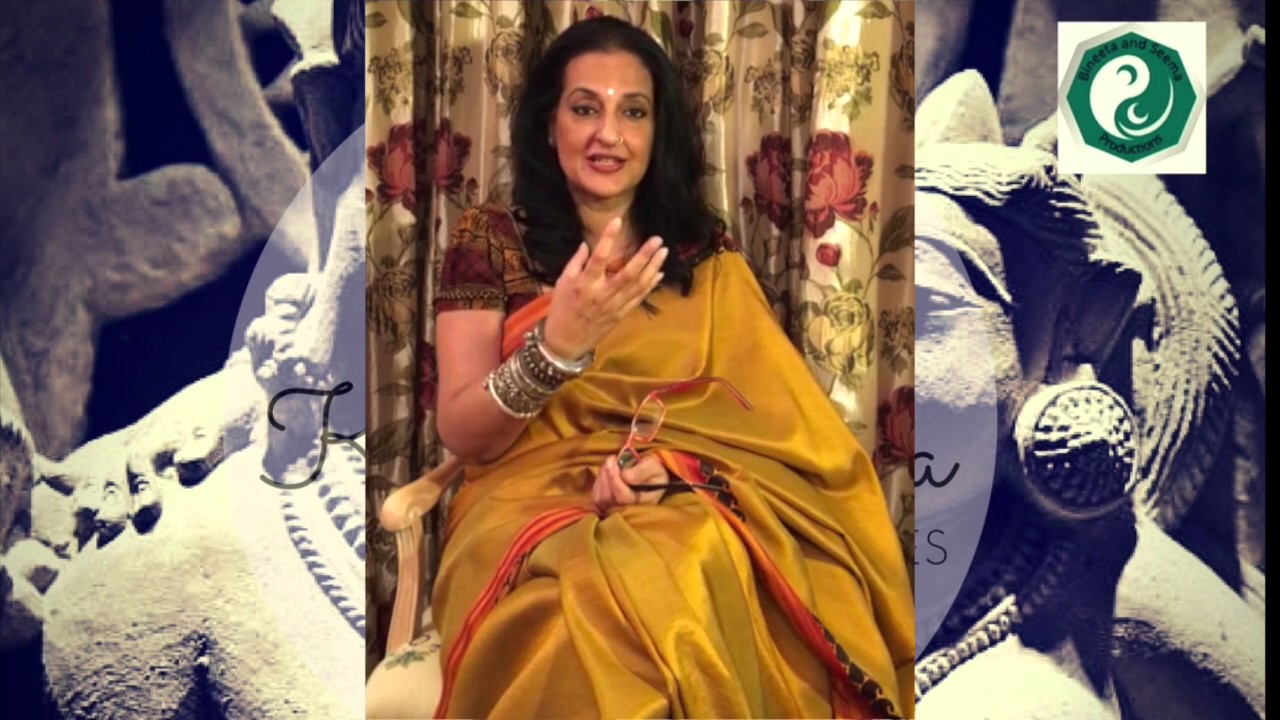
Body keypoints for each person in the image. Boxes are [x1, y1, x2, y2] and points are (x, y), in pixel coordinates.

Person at [429, 17, 914, 719]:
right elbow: (463, 431)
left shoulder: (700, 253)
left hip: (678, 502)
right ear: (548, 125)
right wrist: (556, 348)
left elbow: (780, 430)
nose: (608, 134)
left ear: (658, 132)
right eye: (585, 108)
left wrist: (675, 472)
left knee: (699, 557)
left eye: (633, 112)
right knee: (572, 623)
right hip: (523, 508)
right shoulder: (493, 240)